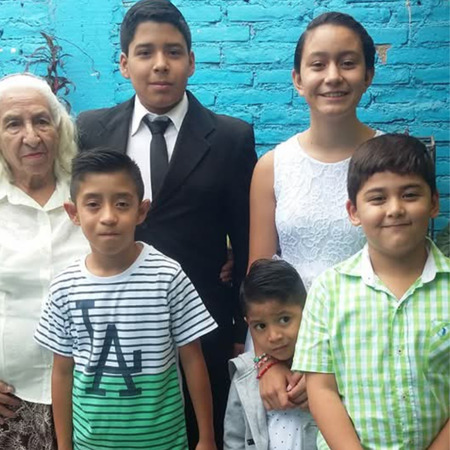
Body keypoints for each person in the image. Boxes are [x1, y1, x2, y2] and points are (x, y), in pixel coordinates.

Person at [76, 1, 256, 445]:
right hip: (114, 332)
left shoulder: (231, 137)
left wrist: (241, 328)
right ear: (124, 63)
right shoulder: (92, 130)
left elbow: (247, 236)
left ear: (191, 61)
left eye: (173, 52)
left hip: (204, 327)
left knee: (202, 435)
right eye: (145, 52)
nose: (160, 64)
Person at [35, 149, 218, 450]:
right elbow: (62, 371)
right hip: (90, 444)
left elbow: (193, 358)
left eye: (122, 204)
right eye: (93, 205)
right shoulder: (65, 287)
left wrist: (207, 438)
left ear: (141, 210)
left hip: (164, 443)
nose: (108, 217)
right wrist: (65, 445)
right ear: (73, 213)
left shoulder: (167, 276)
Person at [248, 11, 383, 411]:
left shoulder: (389, 161)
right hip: (287, 358)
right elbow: (258, 276)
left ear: (368, 75)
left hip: (369, 350)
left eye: (348, 63)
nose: (333, 77)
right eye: (318, 64)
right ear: (298, 78)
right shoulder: (272, 167)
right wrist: (267, 362)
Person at [293, 133, 449, 449]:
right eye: (378, 199)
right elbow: (321, 389)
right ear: (354, 211)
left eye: (410, 195)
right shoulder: (328, 291)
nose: (395, 209)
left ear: (433, 203)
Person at [0, 73, 89, 450]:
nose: (31, 137)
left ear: (60, 129)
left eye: (41, 121)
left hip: (92, 396)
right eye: (13, 124)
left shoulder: (90, 199)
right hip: (10, 402)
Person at [224, 258, 318, 450]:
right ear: (248, 324)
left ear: (307, 310)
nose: (274, 336)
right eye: (261, 326)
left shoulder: (325, 368)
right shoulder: (244, 374)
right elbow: (234, 440)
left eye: (284, 319)